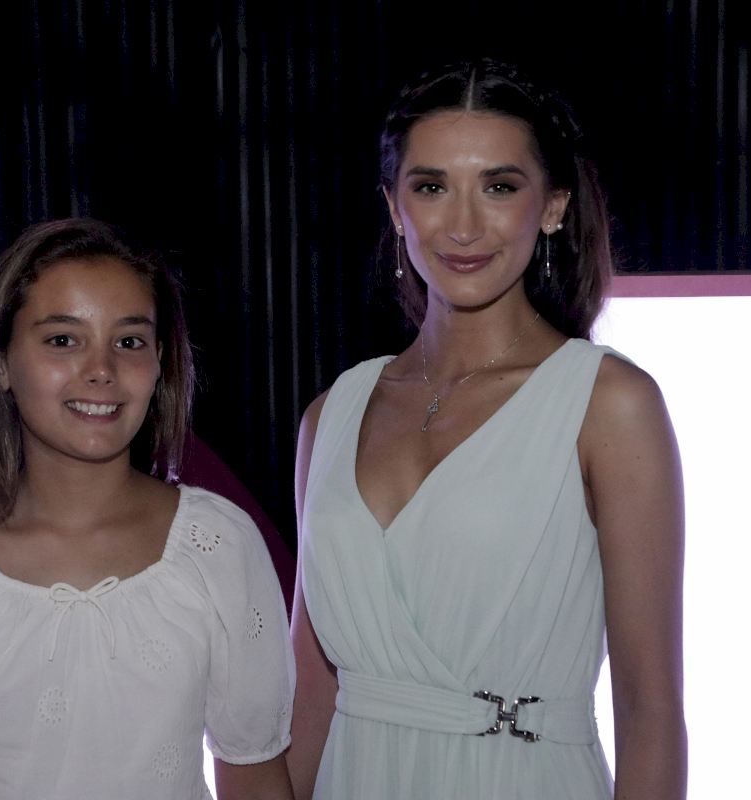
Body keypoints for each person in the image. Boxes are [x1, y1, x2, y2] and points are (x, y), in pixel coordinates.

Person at [287, 60, 686, 799]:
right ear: (394, 207)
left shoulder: (609, 403)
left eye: (499, 187)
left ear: (553, 207)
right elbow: (311, 692)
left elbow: (649, 709)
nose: (464, 225)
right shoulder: (331, 413)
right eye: (431, 187)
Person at [0, 218, 295, 800]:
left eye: (129, 342)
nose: (101, 370)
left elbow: (256, 779)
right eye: (63, 340)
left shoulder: (219, 545)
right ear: (1, 362)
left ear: (160, 362)